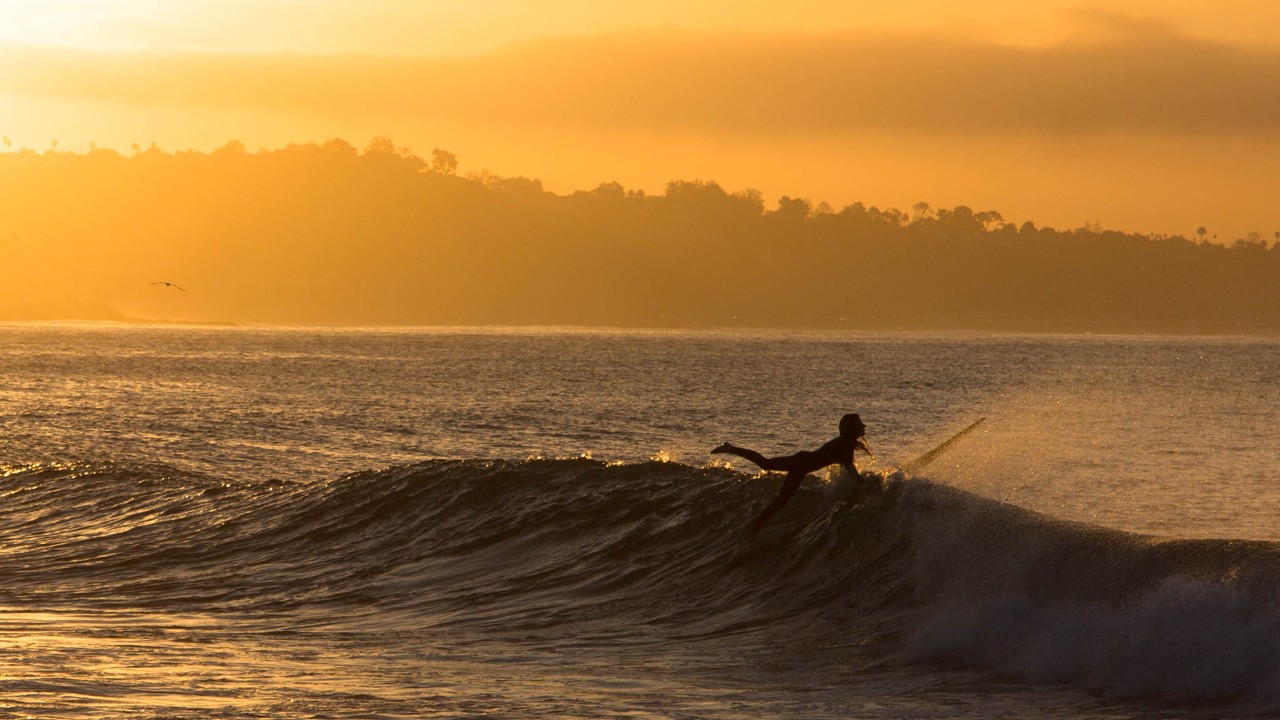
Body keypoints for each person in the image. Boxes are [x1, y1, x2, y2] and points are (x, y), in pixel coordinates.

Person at [712, 413, 870, 540]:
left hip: (802, 467)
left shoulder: (847, 442)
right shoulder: (846, 443)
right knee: (766, 464)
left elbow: (847, 468)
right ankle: (730, 448)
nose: (864, 425)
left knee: (780, 502)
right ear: (852, 428)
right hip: (801, 462)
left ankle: (752, 532)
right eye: (860, 423)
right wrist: (865, 485)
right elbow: (851, 470)